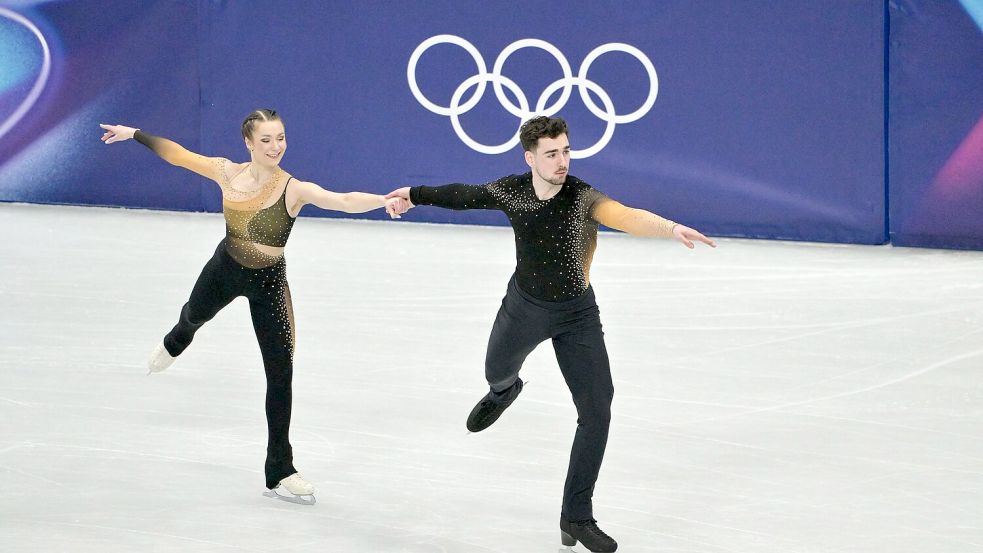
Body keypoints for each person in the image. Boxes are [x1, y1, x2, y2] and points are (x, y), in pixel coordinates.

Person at [386, 116, 714, 552]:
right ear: (530, 158)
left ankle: (575, 516)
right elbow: (464, 195)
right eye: (551, 154)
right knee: (495, 371)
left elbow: (624, 216)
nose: (562, 161)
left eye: (566, 151)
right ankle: (504, 391)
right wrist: (413, 194)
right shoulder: (513, 191)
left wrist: (670, 228)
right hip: (524, 308)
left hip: (577, 314)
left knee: (598, 410)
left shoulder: (581, 197)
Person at [100, 109, 407, 504]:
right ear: (248, 143)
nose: (275, 146)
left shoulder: (291, 188)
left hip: (269, 285)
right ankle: (176, 341)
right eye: (265, 140)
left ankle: (280, 468)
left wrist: (383, 200)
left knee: (281, 375)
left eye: (280, 138)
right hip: (225, 268)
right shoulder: (226, 172)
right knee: (193, 316)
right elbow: (178, 154)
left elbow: (341, 200)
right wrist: (135, 132)